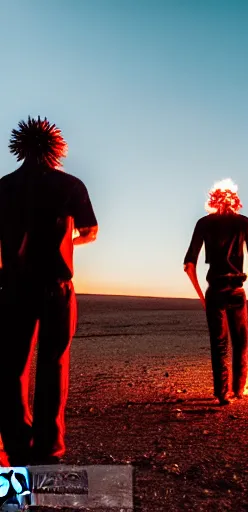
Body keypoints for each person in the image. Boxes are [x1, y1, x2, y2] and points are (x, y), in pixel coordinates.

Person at [0, 116, 98, 465]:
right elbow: (91, 231)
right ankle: (49, 449)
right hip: (56, 288)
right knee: (53, 365)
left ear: (20, 147)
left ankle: (15, 444)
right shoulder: (70, 185)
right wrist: (66, 238)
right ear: (56, 148)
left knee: (13, 367)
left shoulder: (3, 186)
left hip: (12, 288)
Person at [184, 179, 248, 405]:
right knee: (241, 343)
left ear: (213, 200)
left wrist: (202, 297)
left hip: (214, 290)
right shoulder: (245, 223)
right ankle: (239, 389)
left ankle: (222, 393)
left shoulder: (203, 223)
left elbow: (189, 265)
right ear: (234, 201)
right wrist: (245, 275)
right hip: (237, 290)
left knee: (218, 344)